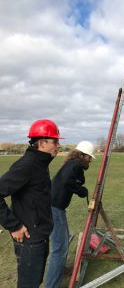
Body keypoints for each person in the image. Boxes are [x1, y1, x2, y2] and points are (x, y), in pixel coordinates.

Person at [0, 119, 62, 288]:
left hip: (40, 235)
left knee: (34, 282)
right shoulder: (27, 165)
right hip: (30, 239)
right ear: (42, 143)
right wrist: (14, 226)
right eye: (55, 141)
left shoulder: (41, 162)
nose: (58, 145)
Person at [46, 141, 95, 288]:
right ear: (82, 155)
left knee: (63, 241)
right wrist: (81, 190)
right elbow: (68, 181)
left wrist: (80, 185)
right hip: (54, 208)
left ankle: (59, 270)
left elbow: (72, 180)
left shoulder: (73, 164)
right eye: (89, 157)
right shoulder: (75, 165)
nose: (90, 160)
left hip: (53, 207)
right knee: (59, 248)